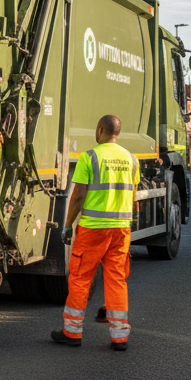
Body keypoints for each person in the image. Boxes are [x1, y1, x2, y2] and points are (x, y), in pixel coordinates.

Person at [52, 114, 136, 351]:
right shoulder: (131, 159)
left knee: (80, 279)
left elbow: (78, 195)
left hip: (93, 230)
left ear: (100, 130)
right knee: (116, 279)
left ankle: (72, 332)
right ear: (117, 133)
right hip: (121, 229)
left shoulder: (90, 157)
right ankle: (119, 336)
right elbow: (132, 196)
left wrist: (67, 225)